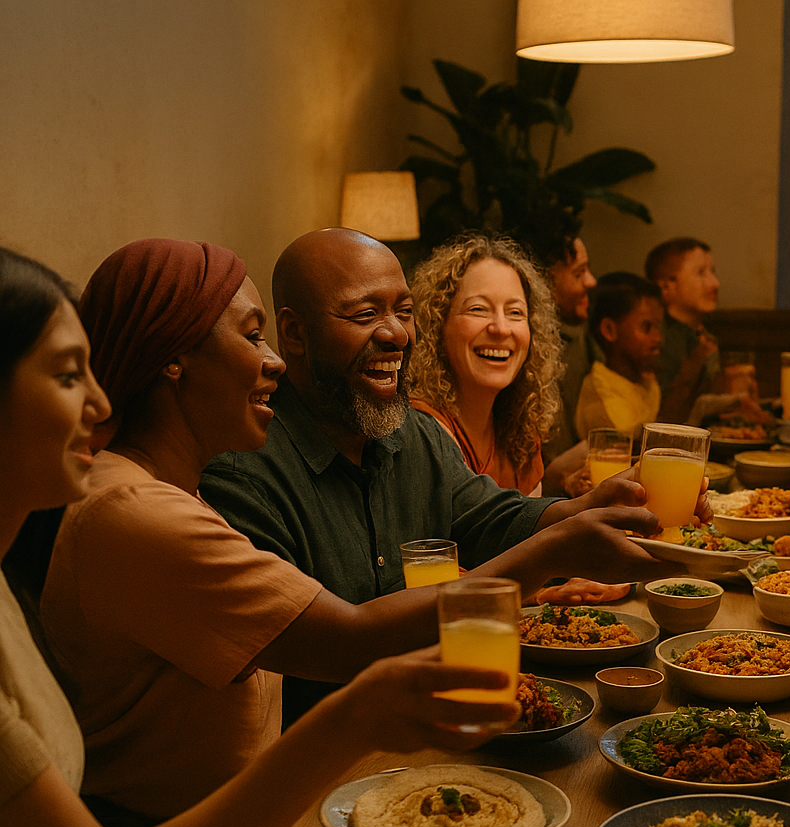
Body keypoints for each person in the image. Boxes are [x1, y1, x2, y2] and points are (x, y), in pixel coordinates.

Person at [0, 244, 519, 827]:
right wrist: (359, 710)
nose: (102, 405)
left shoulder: (87, 537)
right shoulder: (134, 508)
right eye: (70, 376)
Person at [200, 229, 705, 723]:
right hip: (329, 766)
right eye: (365, 314)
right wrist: (558, 550)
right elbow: (332, 645)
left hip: (442, 723)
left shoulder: (414, 434)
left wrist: (603, 505)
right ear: (294, 334)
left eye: (403, 311)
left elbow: (495, 516)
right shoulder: (244, 471)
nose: (397, 334)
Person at [407, 234, 561, 493]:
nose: (500, 328)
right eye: (478, 309)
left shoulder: (520, 433)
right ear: (436, 326)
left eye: (515, 313)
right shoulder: (420, 433)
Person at [574, 272, 666, 440]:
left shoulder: (646, 380)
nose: (658, 338)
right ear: (609, 330)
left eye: (658, 327)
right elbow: (635, 448)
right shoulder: (600, 393)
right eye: (647, 327)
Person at [644, 237, 721, 421]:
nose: (714, 283)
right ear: (666, 285)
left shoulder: (701, 335)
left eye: (713, 272)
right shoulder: (656, 340)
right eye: (701, 273)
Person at [544, 235, 601, 462]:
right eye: (579, 273)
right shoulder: (522, 351)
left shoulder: (578, 338)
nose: (591, 281)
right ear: (544, 282)